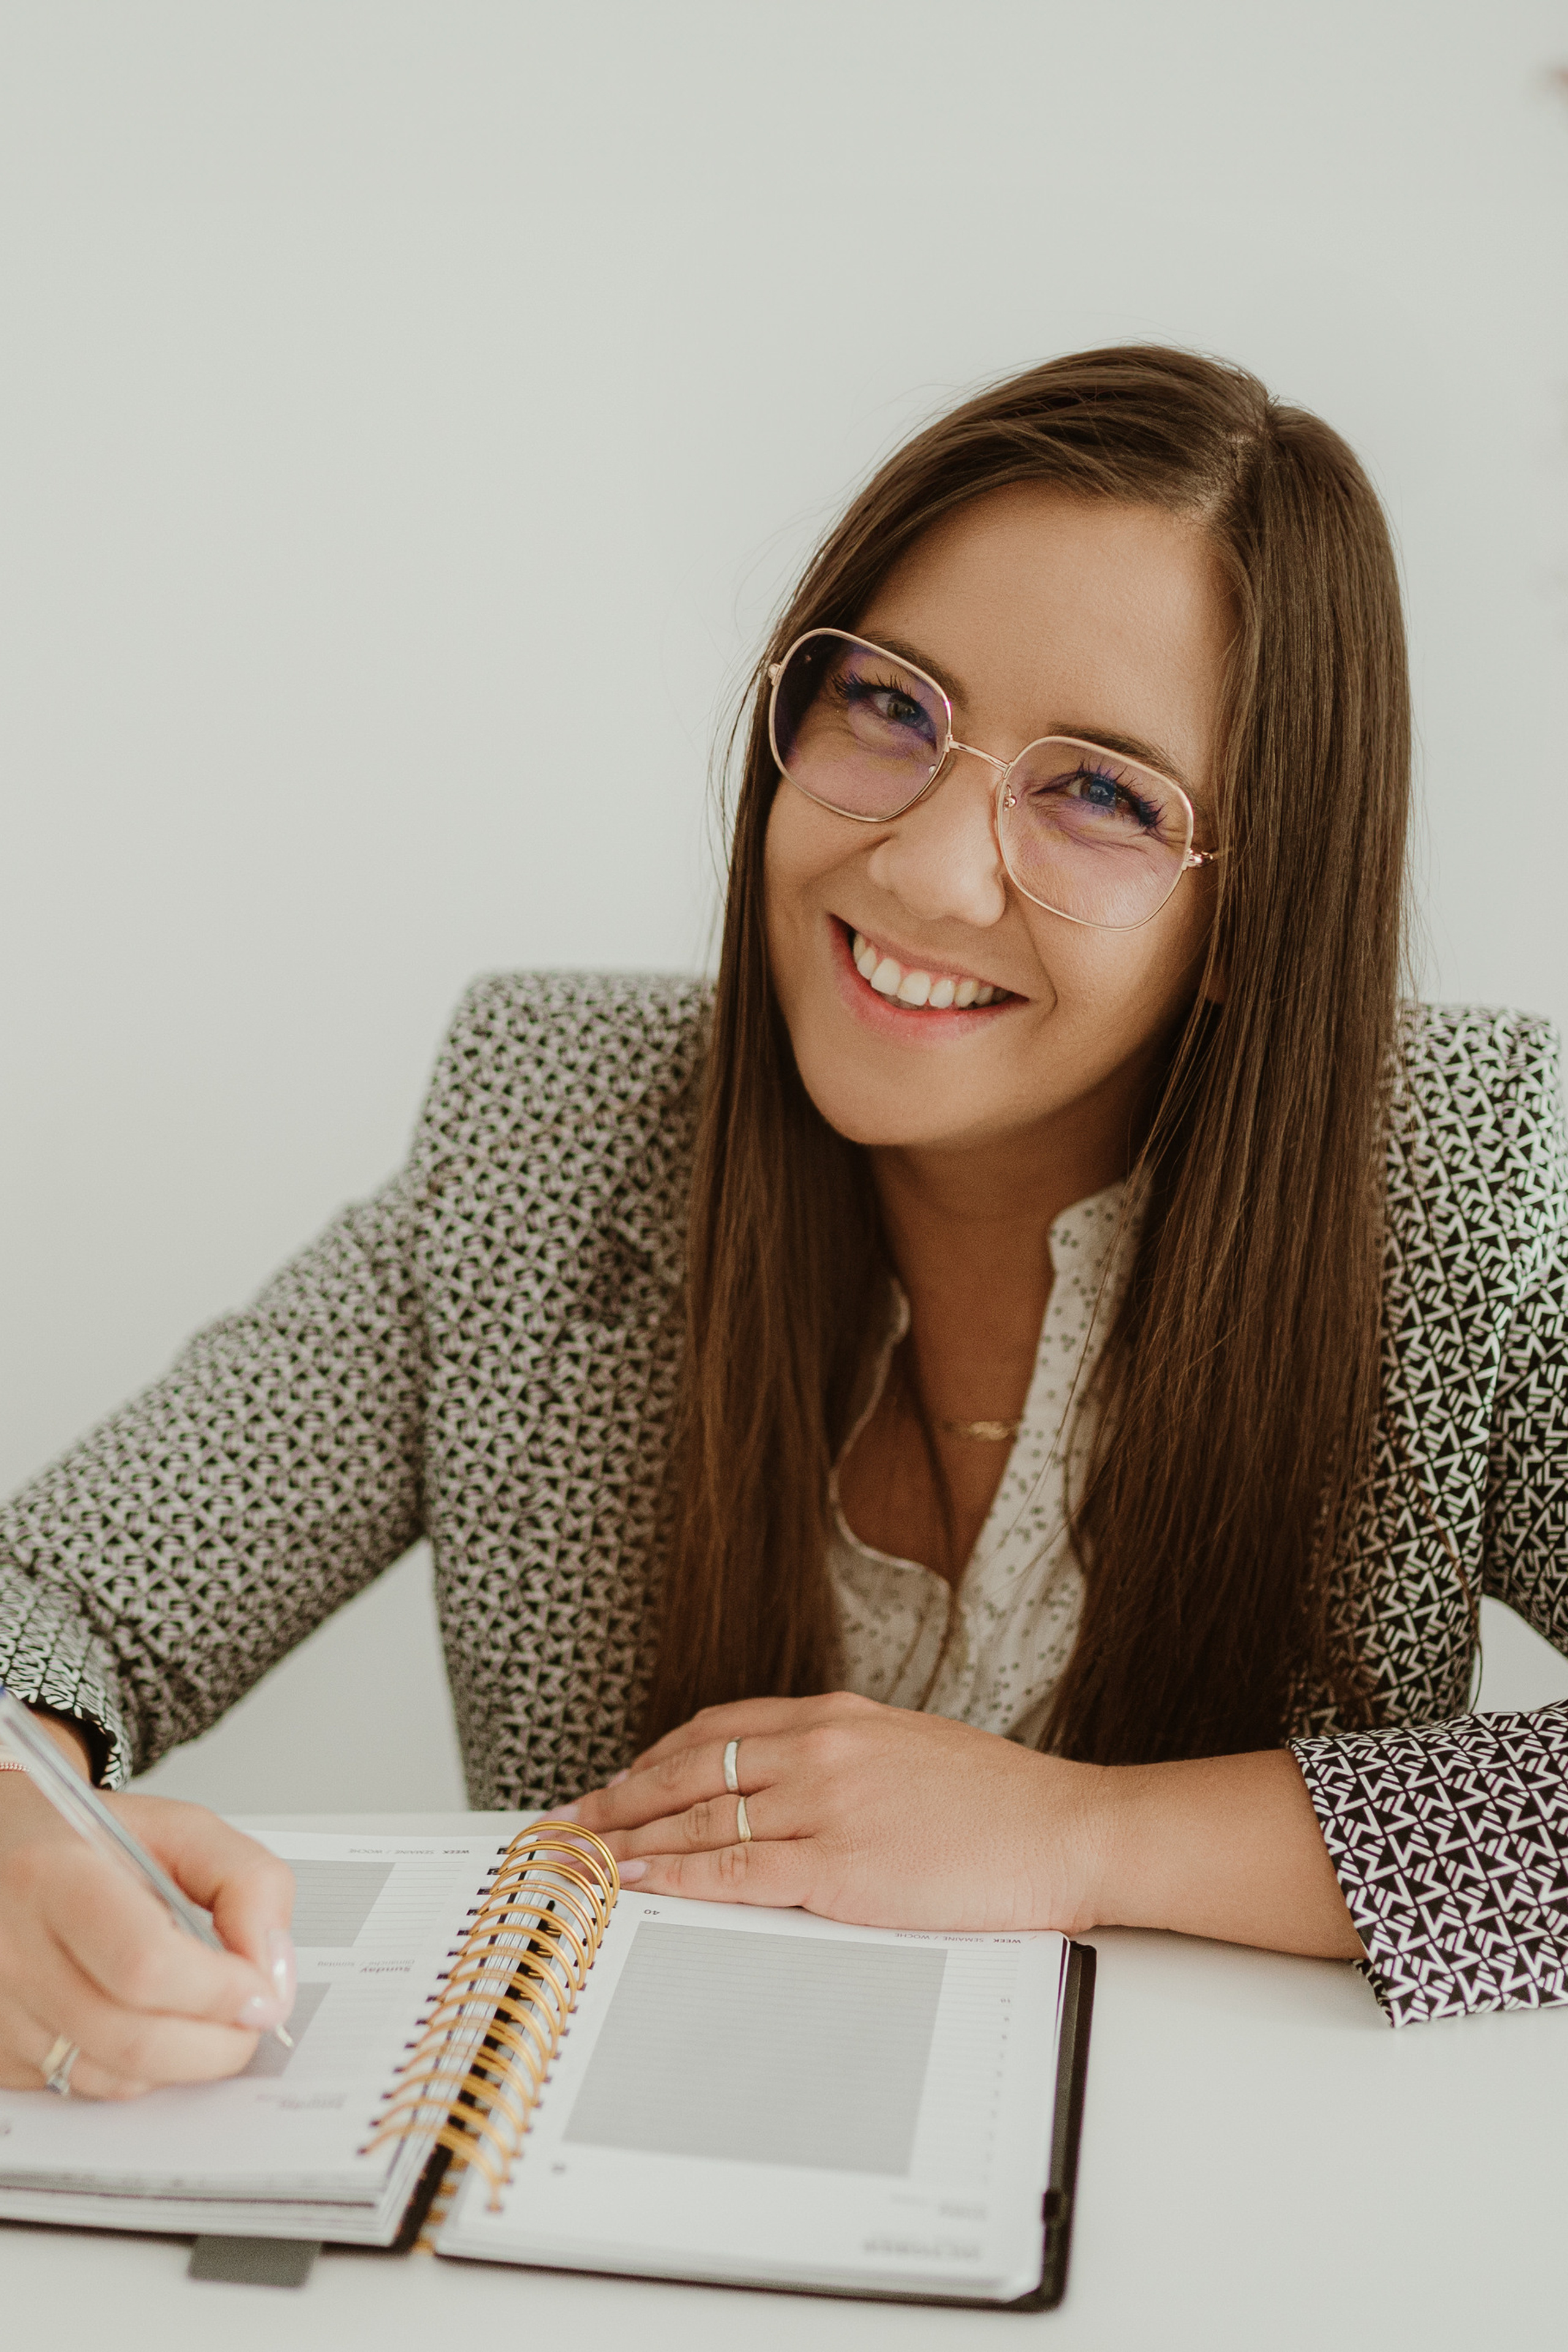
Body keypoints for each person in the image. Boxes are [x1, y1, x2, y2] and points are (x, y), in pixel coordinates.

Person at [1, 347, 1563, 2105]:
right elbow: (57, 1594)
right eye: (888, 705)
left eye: (1104, 794)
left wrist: (1078, 1836)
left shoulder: (1459, 1197)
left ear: (1255, 910)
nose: (923, 869)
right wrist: (14, 1817)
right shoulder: (546, 1139)